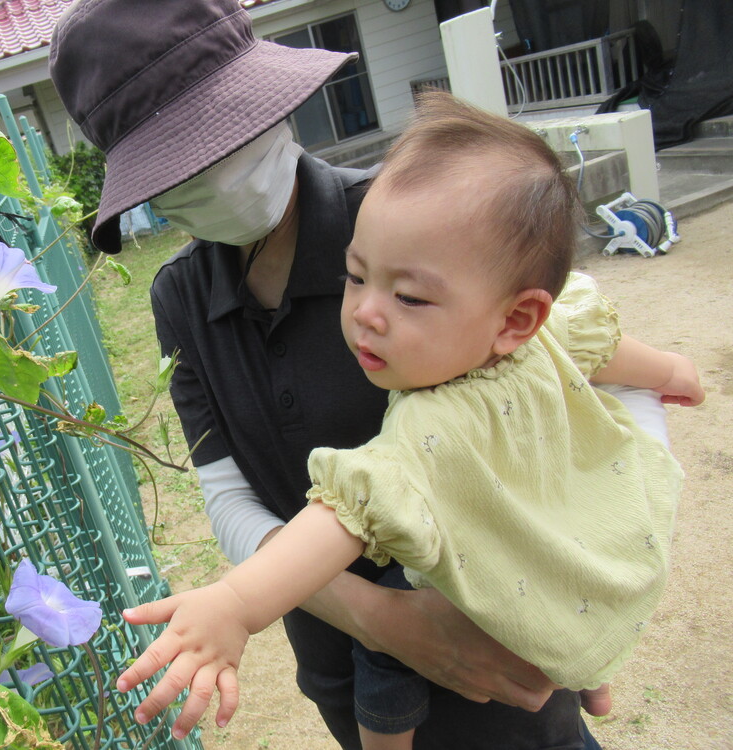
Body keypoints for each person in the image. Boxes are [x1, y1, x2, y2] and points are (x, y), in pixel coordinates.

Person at [48, 1, 673, 746]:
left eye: (226, 134)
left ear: (270, 108)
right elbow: (230, 500)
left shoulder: (416, 226)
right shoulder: (180, 297)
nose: (218, 171)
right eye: (183, 165)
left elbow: (558, 368)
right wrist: (380, 621)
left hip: (502, 658)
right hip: (342, 667)